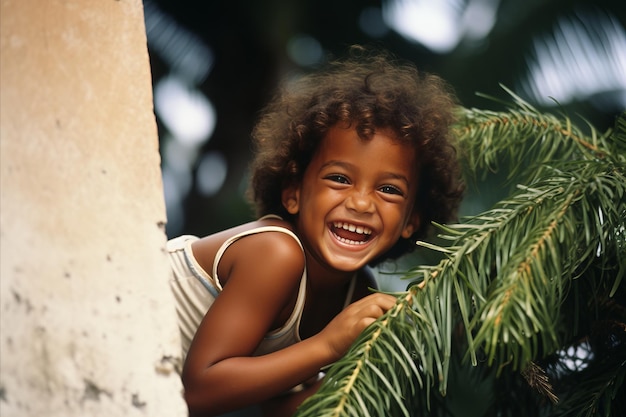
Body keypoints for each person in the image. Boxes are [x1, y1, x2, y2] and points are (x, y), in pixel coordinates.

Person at [167, 45, 464, 417]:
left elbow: (279, 409)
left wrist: (380, 365)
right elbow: (198, 390)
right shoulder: (275, 253)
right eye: (339, 178)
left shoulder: (356, 294)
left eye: (388, 190)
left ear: (410, 222)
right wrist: (329, 345)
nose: (361, 203)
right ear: (293, 194)